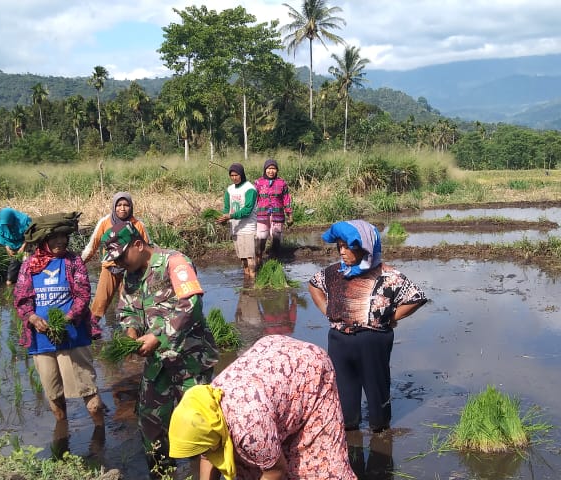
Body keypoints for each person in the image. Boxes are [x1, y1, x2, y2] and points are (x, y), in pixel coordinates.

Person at [108, 223, 219, 474]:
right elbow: (126, 311)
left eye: (122, 256)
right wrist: (131, 333)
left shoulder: (174, 261)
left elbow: (191, 304)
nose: (120, 263)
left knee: (198, 425)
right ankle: (162, 474)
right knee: (149, 420)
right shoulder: (131, 274)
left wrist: (158, 337)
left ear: (138, 245)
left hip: (191, 361)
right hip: (158, 364)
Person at [169, 335, 356, 480]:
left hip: (307, 370)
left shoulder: (249, 429)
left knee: (316, 466)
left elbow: (275, 471)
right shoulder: (207, 413)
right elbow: (208, 453)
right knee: (251, 465)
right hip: (270, 365)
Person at [308, 220, 428, 433]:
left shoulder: (389, 276)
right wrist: (326, 310)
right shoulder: (334, 272)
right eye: (339, 246)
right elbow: (314, 284)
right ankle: (349, 425)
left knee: (377, 386)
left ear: (365, 247)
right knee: (344, 387)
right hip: (339, 339)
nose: (342, 252)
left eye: (348, 246)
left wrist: (392, 317)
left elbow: (416, 298)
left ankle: (379, 428)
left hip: (373, 339)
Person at [13, 212, 105, 434]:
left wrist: (68, 318)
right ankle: (62, 436)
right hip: (41, 340)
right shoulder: (30, 266)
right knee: (53, 394)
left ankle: (101, 436)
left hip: (73, 336)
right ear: (44, 240)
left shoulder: (73, 262)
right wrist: (33, 318)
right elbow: (21, 299)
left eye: (64, 237)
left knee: (88, 392)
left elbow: (83, 295)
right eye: (55, 237)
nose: (61, 241)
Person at [81, 192, 150, 338]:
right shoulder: (105, 222)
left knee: (130, 302)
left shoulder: (138, 224)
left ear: (131, 207)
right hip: (110, 267)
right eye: (119, 205)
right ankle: (91, 328)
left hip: (130, 270)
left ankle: (133, 332)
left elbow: (147, 247)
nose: (122, 208)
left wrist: (149, 270)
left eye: (126, 205)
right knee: (101, 299)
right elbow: (92, 246)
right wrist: (78, 264)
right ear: (114, 207)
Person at [216, 163, 257, 279]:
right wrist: (223, 218)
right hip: (235, 227)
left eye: (236, 175)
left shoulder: (250, 189)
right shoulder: (229, 190)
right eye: (232, 175)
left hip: (248, 227)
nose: (234, 178)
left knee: (249, 256)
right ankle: (246, 277)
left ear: (242, 174)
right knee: (242, 257)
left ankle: (253, 279)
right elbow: (226, 208)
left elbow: (247, 210)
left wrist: (230, 216)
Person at [252, 158, 292, 266]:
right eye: (269, 169)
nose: (271, 171)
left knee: (276, 238)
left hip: (277, 215)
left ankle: (274, 263)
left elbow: (286, 199)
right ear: (265, 170)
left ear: (277, 170)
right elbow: (253, 199)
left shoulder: (282, 183)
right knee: (261, 238)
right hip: (262, 215)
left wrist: (290, 215)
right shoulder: (258, 183)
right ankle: (259, 260)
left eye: (273, 168)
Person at [0, 207, 32, 285]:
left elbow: (29, 236)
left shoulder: (24, 221)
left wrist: (23, 247)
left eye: (8, 223)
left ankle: (28, 281)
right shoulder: (2, 225)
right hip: (12, 245)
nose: (7, 225)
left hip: (26, 243)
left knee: (26, 260)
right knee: (14, 263)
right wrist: (8, 248)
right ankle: (11, 280)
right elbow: (3, 237)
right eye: (6, 224)